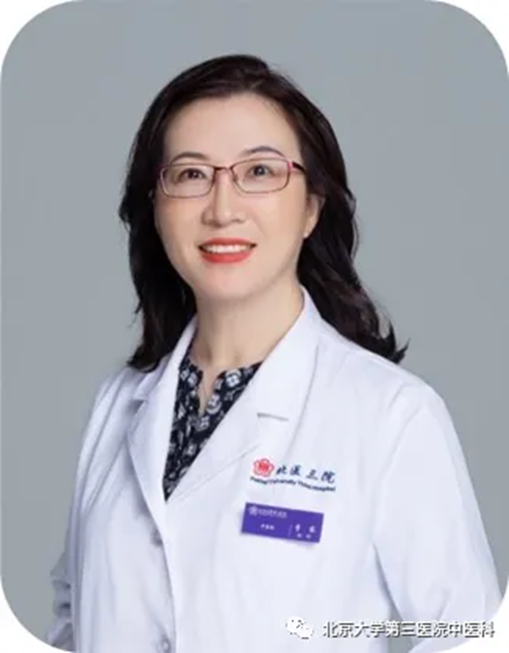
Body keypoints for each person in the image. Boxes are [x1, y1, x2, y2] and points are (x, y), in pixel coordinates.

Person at [45, 54, 501, 653]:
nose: (222, 208)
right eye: (191, 174)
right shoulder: (118, 404)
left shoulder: (392, 417)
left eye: (259, 171)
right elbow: (73, 615)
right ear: (155, 206)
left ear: (311, 207)